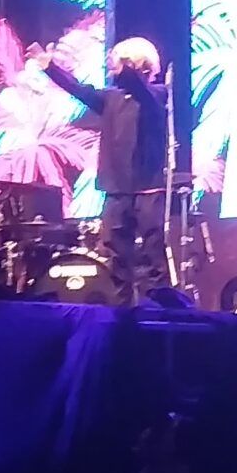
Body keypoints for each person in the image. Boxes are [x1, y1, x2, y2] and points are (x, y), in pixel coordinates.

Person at [44, 36, 171, 299]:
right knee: (116, 254)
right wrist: (50, 68)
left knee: (151, 252)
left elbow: (139, 89)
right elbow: (80, 90)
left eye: (120, 62)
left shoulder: (158, 94)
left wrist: (127, 68)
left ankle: (155, 306)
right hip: (116, 189)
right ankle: (121, 308)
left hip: (148, 188)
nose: (113, 66)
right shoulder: (111, 98)